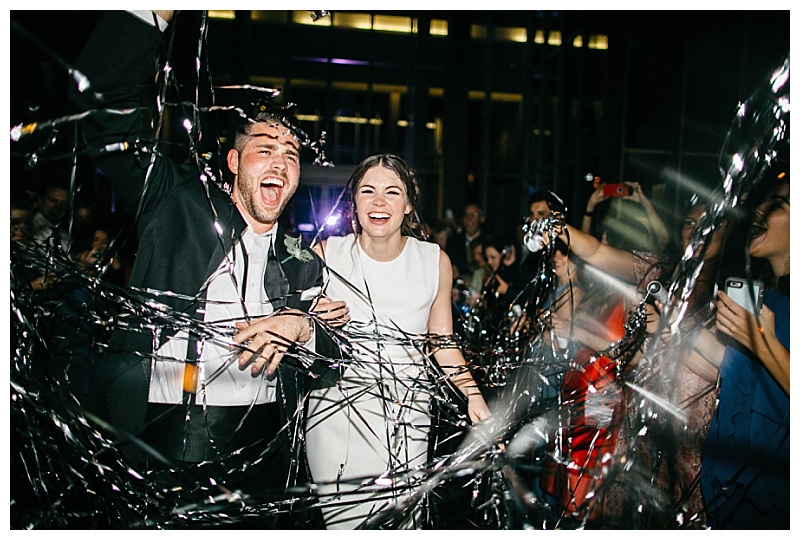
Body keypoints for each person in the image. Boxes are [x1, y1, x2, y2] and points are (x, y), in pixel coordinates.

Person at [68, 10, 349, 515]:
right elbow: (102, 106)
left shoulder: (303, 258)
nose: (281, 161)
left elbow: (332, 361)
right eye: (265, 149)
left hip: (264, 457)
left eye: (291, 153)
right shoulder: (177, 204)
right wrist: (153, 13)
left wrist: (303, 328)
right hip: (165, 443)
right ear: (235, 163)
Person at [304, 153, 492, 529]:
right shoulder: (326, 254)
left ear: (407, 204)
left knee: (403, 521)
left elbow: (442, 340)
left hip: (408, 415)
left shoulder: (434, 260)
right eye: (368, 191)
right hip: (336, 416)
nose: (378, 201)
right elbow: (297, 330)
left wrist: (474, 397)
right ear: (354, 201)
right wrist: (312, 318)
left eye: (392, 192)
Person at [688, 176, 789, 529]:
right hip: (734, 494)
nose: (759, 210)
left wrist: (761, 340)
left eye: (778, 203)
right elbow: (737, 371)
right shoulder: (769, 298)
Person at [445, 202, 486, 281]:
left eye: (474, 215)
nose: (469, 219)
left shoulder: (487, 241)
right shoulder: (453, 241)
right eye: (466, 215)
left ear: (481, 218)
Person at [30, 179, 69, 249]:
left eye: (63, 203)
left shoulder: (65, 234)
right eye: (52, 200)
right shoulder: (30, 228)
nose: (58, 207)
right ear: (40, 200)